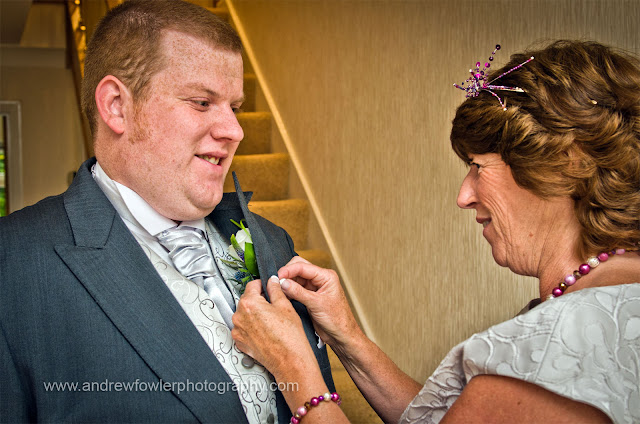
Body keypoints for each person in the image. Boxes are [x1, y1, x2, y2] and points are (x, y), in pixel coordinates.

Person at [231, 40, 640, 423]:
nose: (464, 196)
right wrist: (347, 336)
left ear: (566, 165)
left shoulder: (557, 342)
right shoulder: (612, 303)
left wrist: (294, 368)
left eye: (478, 167)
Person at [0, 1, 333, 422]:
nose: (235, 131)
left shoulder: (273, 242)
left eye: (235, 107)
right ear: (117, 106)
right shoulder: (13, 262)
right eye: (201, 102)